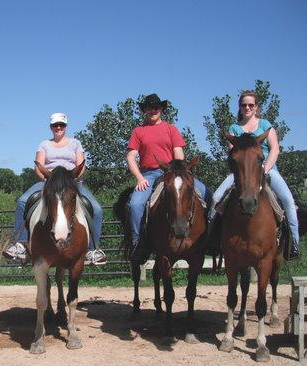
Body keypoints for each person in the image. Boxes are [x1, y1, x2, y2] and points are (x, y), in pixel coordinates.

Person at [3, 113, 106, 265]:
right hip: (50, 181)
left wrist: (73, 178)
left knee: (96, 209)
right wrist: (48, 179)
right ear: (51, 127)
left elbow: (81, 165)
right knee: (23, 201)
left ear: (65, 127)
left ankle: (92, 250)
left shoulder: (75, 143)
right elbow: (38, 166)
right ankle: (20, 243)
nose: (58, 127)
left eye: (61, 125)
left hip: (71, 182)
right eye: (55, 125)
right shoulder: (44, 144)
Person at [207, 90, 300, 260]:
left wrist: (265, 168)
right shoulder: (234, 128)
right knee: (215, 198)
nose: (247, 107)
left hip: (267, 168)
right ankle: (210, 240)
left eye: (251, 105)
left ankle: (294, 243)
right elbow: (233, 153)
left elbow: (275, 149)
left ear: (256, 107)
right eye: (244, 105)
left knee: (288, 200)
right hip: (242, 171)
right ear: (240, 108)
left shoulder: (265, 125)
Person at [126, 94, 211, 262]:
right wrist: (139, 178)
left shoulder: (171, 129)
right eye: (149, 108)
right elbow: (131, 157)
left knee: (209, 195)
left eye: (156, 107)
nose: (153, 110)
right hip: (149, 175)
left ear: (161, 109)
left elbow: (178, 153)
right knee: (135, 204)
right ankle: (138, 244)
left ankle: (210, 239)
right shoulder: (138, 131)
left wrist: (181, 170)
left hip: (173, 172)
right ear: (145, 110)